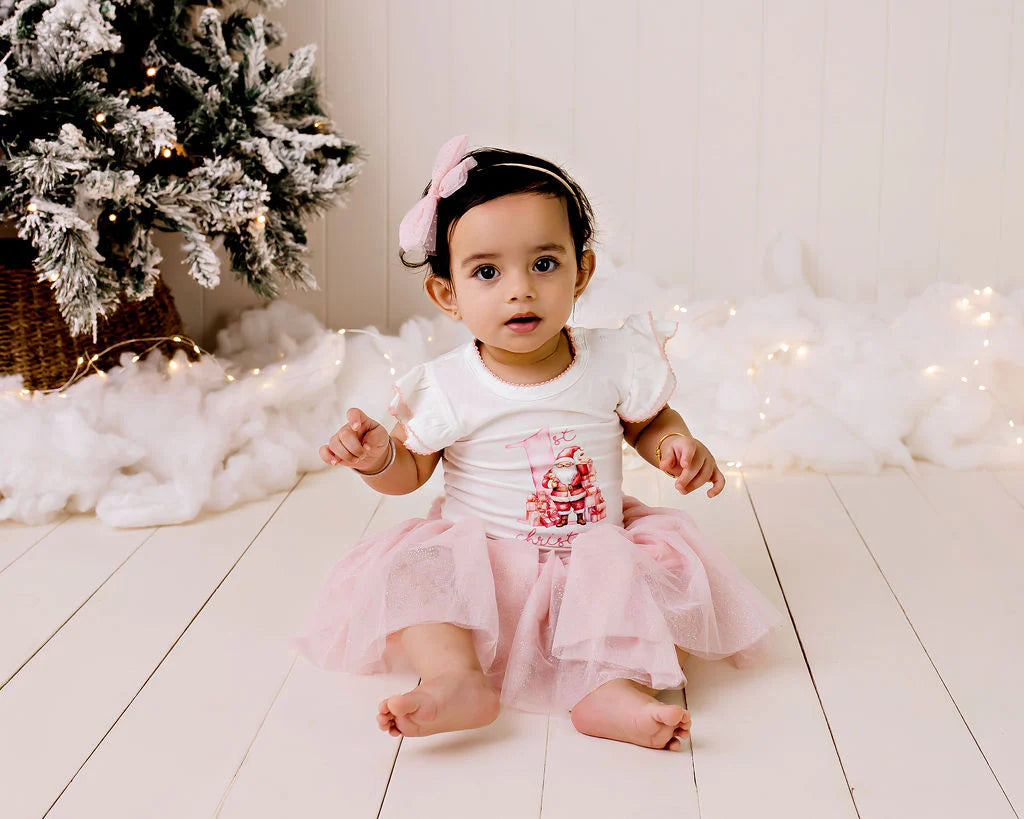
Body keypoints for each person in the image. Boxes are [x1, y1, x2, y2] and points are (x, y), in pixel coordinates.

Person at [293, 134, 785, 752]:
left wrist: (674, 445)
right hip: (487, 566)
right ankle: (455, 677)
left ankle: (611, 688)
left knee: (654, 585)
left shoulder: (611, 361)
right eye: (487, 272)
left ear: (582, 272)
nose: (519, 289)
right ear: (447, 294)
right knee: (415, 573)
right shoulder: (446, 386)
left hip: (595, 559)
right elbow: (410, 471)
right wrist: (378, 460)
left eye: (544, 264)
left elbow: (648, 422)